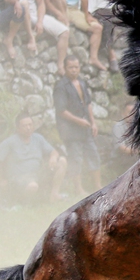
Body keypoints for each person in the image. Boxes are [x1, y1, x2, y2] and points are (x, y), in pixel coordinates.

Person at [46, 0, 104, 71]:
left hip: (73, 10)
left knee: (97, 28)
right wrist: (59, 14)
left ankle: (93, 57)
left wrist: (87, 15)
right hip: (59, 9)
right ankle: (64, 21)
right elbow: (47, 2)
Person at [53, 55, 101, 198]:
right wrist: (78, 121)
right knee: (76, 158)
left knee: (93, 154)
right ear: (65, 68)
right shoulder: (61, 86)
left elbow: (88, 104)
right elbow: (61, 111)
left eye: (76, 67)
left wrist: (93, 122)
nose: (74, 70)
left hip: (85, 127)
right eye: (71, 67)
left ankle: (98, 185)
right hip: (71, 130)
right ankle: (78, 189)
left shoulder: (82, 82)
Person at [0, 112, 67, 203]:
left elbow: (53, 151)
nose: (28, 128)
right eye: (24, 126)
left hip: (37, 174)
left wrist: (53, 157)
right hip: (19, 178)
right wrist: (1, 180)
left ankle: (54, 195)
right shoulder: (10, 142)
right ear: (18, 128)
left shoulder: (38, 138)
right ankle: (22, 201)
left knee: (62, 161)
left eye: (30, 125)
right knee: (33, 186)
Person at [87, 0, 120, 68]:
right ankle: (111, 53)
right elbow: (91, 8)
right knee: (108, 20)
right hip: (99, 12)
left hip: (113, 10)